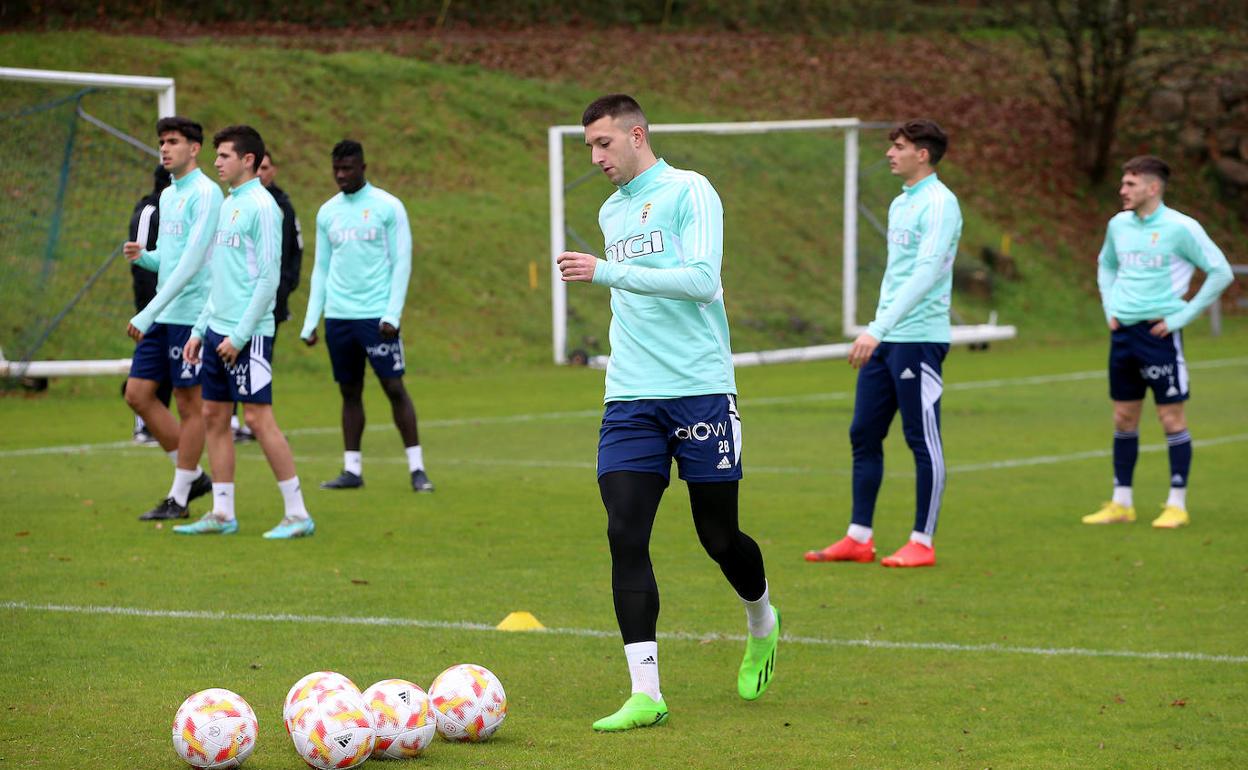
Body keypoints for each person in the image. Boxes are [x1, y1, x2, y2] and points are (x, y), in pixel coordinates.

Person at [557, 94, 779, 732]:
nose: (596, 157)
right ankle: (645, 692)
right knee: (624, 534)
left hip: (700, 387)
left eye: (604, 143)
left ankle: (762, 618)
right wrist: (614, 273)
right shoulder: (610, 210)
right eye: (590, 147)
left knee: (718, 537)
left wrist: (607, 272)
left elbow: (703, 279)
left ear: (637, 133)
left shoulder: (690, 191)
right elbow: (641, 286)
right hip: (630, 394)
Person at [805, 119, 962, 569]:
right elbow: (899, 276)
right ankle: (859, 536)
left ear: (923, 155)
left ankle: (922, 541)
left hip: (919, 339)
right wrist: (879, 328)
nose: (890, 153)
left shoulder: (940, 204)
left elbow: (927, 272)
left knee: (921, 438)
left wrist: (878, 327)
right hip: (886, 335)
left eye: (899, 147)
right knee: (863, 432)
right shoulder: (901, 204)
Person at [176, 125, 315, 539]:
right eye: (216, 155)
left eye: (224, 155)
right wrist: (201, 330)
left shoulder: (264, 207)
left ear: (248, 160)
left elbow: (269, 280)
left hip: (248, 334)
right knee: (213, 415)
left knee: (256, 417)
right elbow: (220, 277)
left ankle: (297, 513)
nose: (216, 162)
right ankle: (222, 513)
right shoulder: (226, 204)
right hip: (218, 330)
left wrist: (238, 336)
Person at [1082, 155, 1232, 529]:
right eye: (1123, 182)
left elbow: (1220, 272)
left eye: (1130, 184)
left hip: (1159, 336)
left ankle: (1176, 503)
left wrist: (1180, 316)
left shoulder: (1182, 228)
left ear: (1152, 187)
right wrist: (1109, 306)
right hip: (1123, 334)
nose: (1122, 190)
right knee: (1123, 416)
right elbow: (1106, 264)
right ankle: (1122, 502)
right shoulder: (1118, 225)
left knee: (1170, 417)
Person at [300, 140, 433, 493]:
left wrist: (393, 313)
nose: (341, 175)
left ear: (363, 167)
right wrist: (312, 320)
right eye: (336, 169)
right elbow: (321, 268)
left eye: (347, 168)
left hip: (376, 318)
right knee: (349, 391)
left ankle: (417, 469)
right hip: (339, 318)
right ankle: (352, 470)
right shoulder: (327, 212)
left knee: (393, 387)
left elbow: (401, 261)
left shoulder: (388, 207)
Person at [123, 117, 222, 521]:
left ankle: (179, 497)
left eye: (174, 142)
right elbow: (170, 256)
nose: (165, 148)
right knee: (138, 394)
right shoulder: (167, 196)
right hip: (165, 312)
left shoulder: (207, 193)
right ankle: (194, 476)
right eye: (162, 141)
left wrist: (148, 311)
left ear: (194, 148)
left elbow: (195, 260)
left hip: (190, 315)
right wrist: (144, 256)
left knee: (188, 402)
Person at [225, 150, 303, 444]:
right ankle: (232, 418)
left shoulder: (281, 207)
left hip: (269, 302)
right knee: (227, 356)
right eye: (259, 168)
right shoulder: (237, 203)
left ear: (273, 170)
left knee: (258, 359)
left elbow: (295, 252)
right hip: (236, 301)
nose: (262, 173)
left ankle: (254, 416)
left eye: (267, 168)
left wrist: (283, 288)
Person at [126, 163, 173, 445]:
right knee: (150, 365)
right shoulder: (149, 212)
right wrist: (149, 308)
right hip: (153, 304)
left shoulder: (180, 210)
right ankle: (143, 426)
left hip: (174, 305)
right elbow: (142, 260)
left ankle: (161, 423)